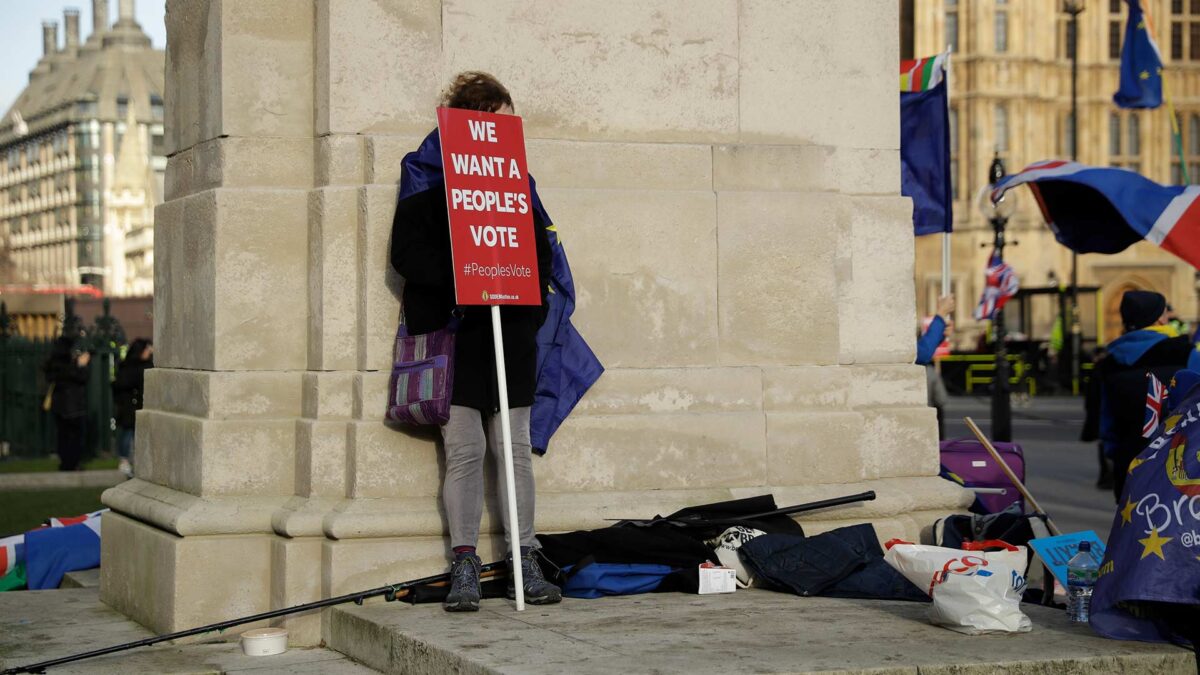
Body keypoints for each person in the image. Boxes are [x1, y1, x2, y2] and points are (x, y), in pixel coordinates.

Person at [389, 72, 561, 612]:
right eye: (486, 119)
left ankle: (523, 558)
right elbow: (407, 258)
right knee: (465, 452)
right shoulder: (424, 181)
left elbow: (540, 259)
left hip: (508, 337)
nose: (494, 130)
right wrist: (464, 269)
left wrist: (526, 315)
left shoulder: (517, 186)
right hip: (455, 337)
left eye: (500, 120)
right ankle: (464, 562)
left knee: (513, 452)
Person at [1082, 290, 1200, 501]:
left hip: (1130, 464)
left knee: (1134, 531)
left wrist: (1117, 455)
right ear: (1158, 319)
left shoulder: (1109, 363)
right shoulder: (1186, 353)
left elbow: (1106, 425)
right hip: (1181, 468)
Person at [43, 337, 90, 471]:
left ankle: (65, 463)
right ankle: (72, 463)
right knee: (75, 436)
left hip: (59, 406)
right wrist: (81, 365)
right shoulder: (69, 365)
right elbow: (82, 378)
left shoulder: (54, 363)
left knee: (63, 435)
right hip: (73, 405)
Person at [113, 338, 153, 478]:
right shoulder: (132, 367)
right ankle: (124, 460)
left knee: (134, 434)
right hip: (129, 406)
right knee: (128, 432)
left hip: (136, 405)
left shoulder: (144, 365)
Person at [916, 294, 954, 439]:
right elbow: (922, 353)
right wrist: (941, 314)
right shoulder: (929, 371)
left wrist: (940, 334)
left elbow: (919, 351)